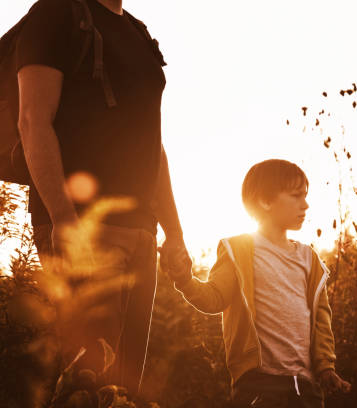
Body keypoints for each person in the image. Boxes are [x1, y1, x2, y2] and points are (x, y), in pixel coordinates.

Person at [15, 0, 186, 402]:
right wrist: (63, 218)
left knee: (125, 392)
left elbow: (151, 146)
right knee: (87, 386)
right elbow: (32, 121)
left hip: (142, 232)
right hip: (86, 226)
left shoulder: (138, 32)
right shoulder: (57, 12)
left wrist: (174, 232)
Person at [161, 159, 351, 408]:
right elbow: (214, 298)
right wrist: (185, 280)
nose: (305, 205)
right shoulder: (238, 250)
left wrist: (326, 366)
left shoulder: (309, 259)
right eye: (296, 196)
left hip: (306, 386)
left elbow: (321, 320)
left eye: (305, 196)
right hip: (258, 384)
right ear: (266, 201)